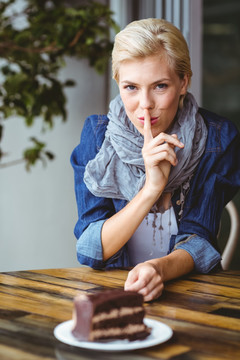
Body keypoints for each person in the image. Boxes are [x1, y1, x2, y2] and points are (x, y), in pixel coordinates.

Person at [71, 18, 240, 301]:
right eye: (131, 87)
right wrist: (151, 187)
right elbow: (89, 249)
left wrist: (157, 269)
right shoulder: (97, 137)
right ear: (117, 83)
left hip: (191, 297)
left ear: (183, 82)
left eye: (160, 86)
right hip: (114, 297)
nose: (145, 104)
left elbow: (200, 241)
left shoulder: (218, 137)